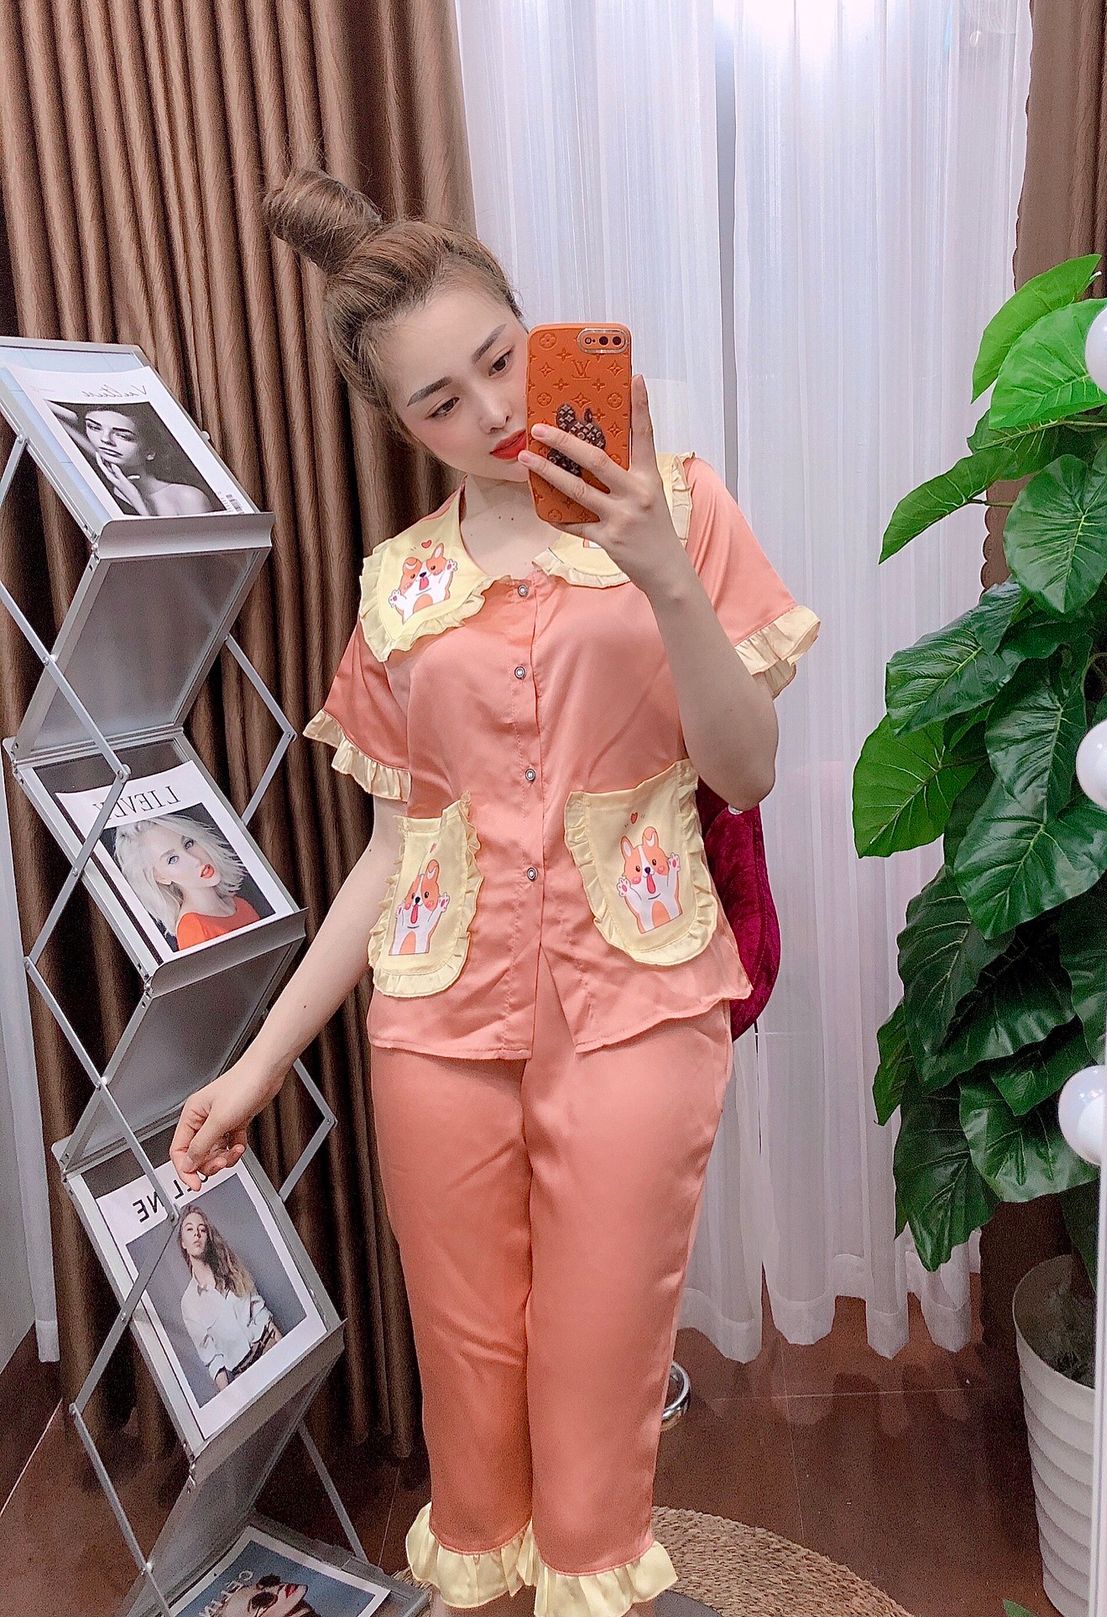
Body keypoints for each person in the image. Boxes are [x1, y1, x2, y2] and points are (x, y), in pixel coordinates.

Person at [169, 167, 819, 1617]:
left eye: (501, 359)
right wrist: (258, 1067)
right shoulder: (399, 587)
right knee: (472, 1399)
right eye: (439, 402)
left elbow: (748, 767)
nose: (491, 410)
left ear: (539, 331)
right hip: (435, 1029)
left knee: (599, 1379)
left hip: (640, 1002)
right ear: (398, 425)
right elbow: (397, 850)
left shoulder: (681, 506)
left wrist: (659, 572)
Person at [111, 811, 263, 950]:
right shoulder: (193, 929)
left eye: (188, 844)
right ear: (161, 877)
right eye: (172, 859)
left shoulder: (239, 904)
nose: (195, 860)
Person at [48, 399, 220, 515]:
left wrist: (141, 506)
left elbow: (202, 561)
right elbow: (51, 412)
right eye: (94, 427)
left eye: (123, 436)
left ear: (150, 451)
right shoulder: (96, 484)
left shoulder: (187, 497)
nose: (105, 440)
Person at [176, 1206, 283, 1392]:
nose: (197, 1234)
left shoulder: (231, 1269)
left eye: (202, 1229)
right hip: (245, 1375)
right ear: (183, 1243)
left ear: (208, 1237)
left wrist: (283, 1346)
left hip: (269, 1346)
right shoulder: (189, 1303)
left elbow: (260, 1311)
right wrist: (229, 1398)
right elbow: (212, 1358)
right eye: (190, 1229)